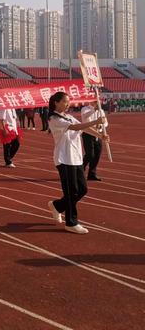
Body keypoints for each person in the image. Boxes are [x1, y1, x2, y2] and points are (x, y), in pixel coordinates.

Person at [47, 92, 109, 234]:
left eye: (68, 102)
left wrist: (101, 135)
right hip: (64, 159)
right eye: (64, 101)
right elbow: (75, 128)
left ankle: (57, 205)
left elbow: (83, 127)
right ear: (56, 102)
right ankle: (71, 222)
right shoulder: (54, 118)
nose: (67, 104)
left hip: (76, 157)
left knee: (82, 189)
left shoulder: (68, 116)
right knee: (71, 191)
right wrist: (96, 121)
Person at [80, 101, 108, 181]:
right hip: (88, 134)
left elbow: (106, 123)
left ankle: (92, 174)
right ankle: (81, 170)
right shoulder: (85, 109)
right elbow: (85, 117)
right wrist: (94, 110)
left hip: (98, 134)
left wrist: (101, 126)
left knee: (97, 155)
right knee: (90, 154)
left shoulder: (101, 111)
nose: (96, 101)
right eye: (94, 100)